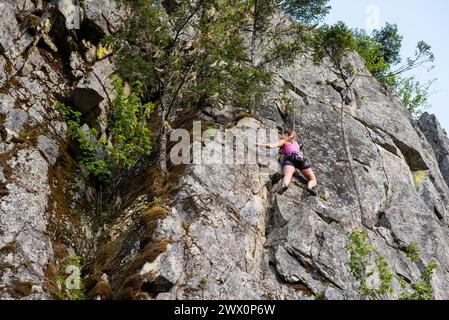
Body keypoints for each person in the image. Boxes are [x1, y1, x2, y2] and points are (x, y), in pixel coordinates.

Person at [257, 129, 317, 196]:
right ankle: (309, 187)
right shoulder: (295, 142)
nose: (280, 136)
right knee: (313, 179)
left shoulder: (284, 141)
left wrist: (258, 144)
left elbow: (272, 146)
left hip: (289, 158)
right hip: (299, 158)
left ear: (286, 135)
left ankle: (284, 185)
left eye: (282, 134)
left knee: (288, 175)